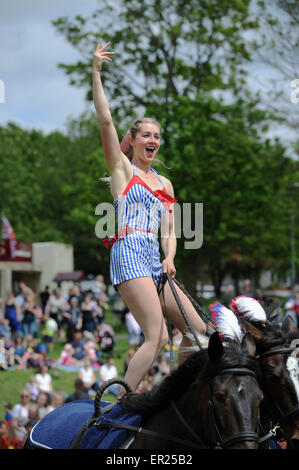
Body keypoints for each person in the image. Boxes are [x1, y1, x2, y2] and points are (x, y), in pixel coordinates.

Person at [92, 39, 206, 394]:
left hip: (154, 259)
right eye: (146, 134)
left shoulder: (165, 183)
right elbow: (106, 120)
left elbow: (170, 230)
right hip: (127, 251)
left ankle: (183, 396)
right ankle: (120, 402)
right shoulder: (123, 171)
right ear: (135, 139)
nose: (152, 139)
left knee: (197, 331)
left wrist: (170, 255)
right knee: (155, 336)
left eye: (157, 136)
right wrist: (96, 72)